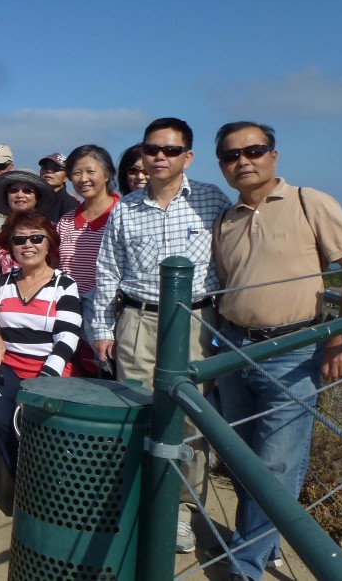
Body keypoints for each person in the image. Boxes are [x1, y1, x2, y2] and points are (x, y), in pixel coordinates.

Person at [211, 121, 342, 580]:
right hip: (234, 347)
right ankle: (264, 537)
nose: (243, 161)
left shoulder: (308, 201)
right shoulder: (226, 217)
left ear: (273, 155)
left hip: (294, 350)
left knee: (276, 464)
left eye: (253, 150)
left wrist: (341, 338)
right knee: (239, 457)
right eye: (232, 155)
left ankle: (245, 565)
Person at [92, 117, 231, 553]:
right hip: (137, 320)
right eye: (152, 149)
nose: (159, 157)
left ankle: (182, 513)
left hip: (194, 322)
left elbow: (231, 260)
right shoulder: (126, 207)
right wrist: (100, 328)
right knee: (136, 411)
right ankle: (135, 500)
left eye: (170, 150)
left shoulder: (212, 200)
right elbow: (107, 270)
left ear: (187, 156)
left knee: (191, 420)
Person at [0, 211, 82, 478]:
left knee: (40, 422)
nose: (28, 245)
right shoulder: (1, 283)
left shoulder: (64, 285)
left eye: (36, 238)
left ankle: (45, 480)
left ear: (49, 242)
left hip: (50, 370)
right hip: (10, 368)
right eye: (19, 240)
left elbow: (68, 338)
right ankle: (18, 478)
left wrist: (42, 383)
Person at [56, 145, 120, 365]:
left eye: (90, 171)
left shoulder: (122, 215)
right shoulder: (66, 221)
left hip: (109, 312)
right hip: (69, 308)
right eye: (76, 173)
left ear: (108, 173)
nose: (83, 178)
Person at [0, 169, 54, 276]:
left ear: (37, 197)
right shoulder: (2, 231)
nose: (20, 195)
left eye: (27, 191)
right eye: (13, 190)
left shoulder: (49, 228)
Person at [38, 152, 80, 222]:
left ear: (66, 177)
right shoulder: (33, 199)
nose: (49, 171)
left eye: (56, 168)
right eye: (45, 167)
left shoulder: (71, 204)